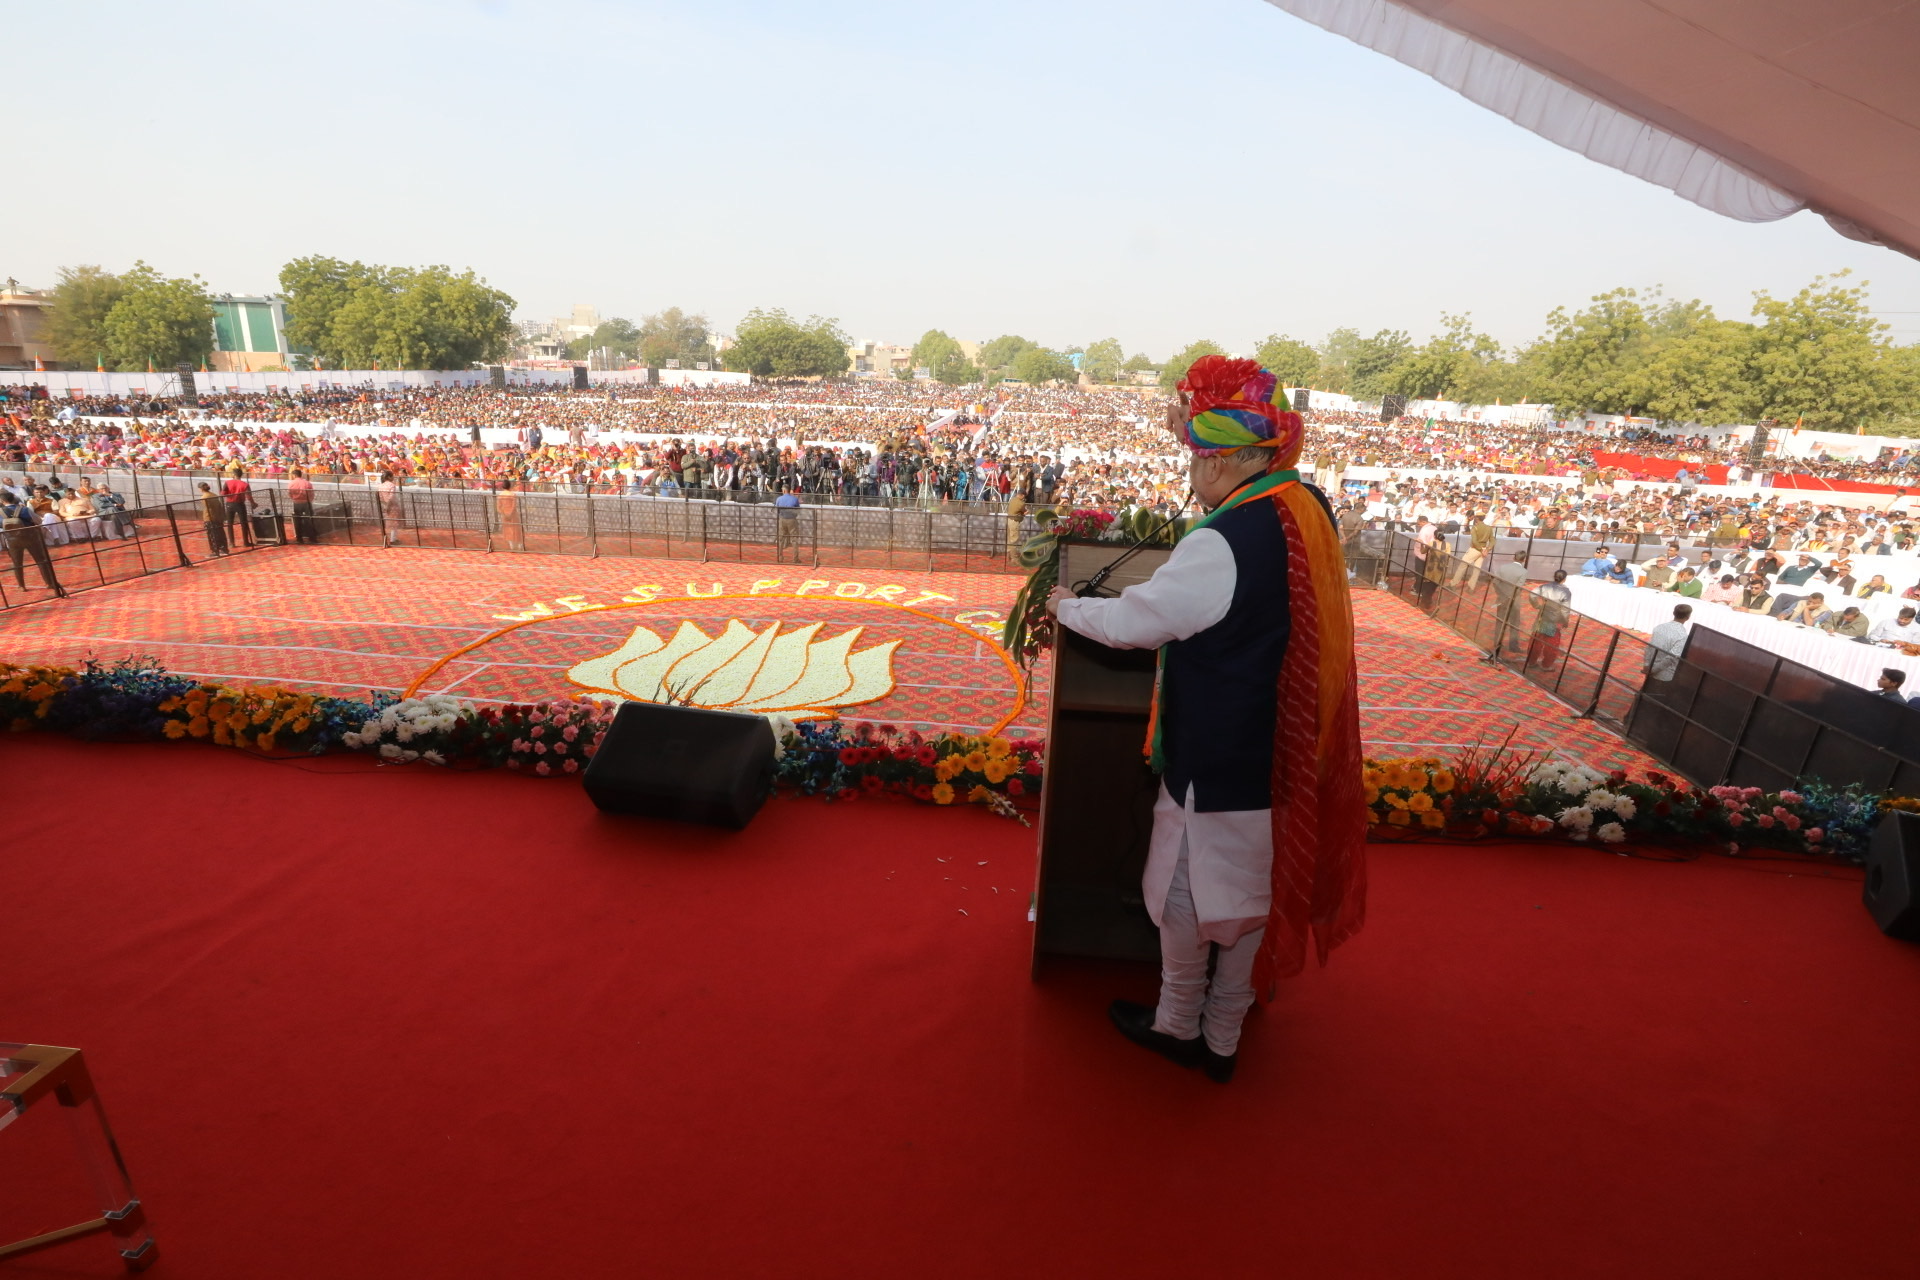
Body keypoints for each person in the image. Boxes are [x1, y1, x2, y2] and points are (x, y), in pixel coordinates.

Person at [1047, 356, 1364, 1084]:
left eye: (1194, 456)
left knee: (1187, 894)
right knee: (1250, 899)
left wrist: (1065, 606)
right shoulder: (1302, 502)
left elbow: (1137, 622)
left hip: (1219, 754)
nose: (1190, 472)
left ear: (1223, 462)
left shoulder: (1223, 539)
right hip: (1275, 748)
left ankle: (1179, 1024)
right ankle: (1224, 1034)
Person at [1, 486, 66, 597]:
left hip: (12, 540)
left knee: (17, 563)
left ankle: (21, 585)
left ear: (2, 501)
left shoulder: (0, 512)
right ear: (14, 499)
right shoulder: (24, 509)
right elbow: (37, 521)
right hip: (30, 537)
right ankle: (49, 582)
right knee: (41, 560)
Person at [1528, 568, 1572, 670]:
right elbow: (1565, 610)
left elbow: (1532, 594)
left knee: (1537, 639)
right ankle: (1546, 665)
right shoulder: (1565, 591)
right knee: (1552, 644)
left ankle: (1531, 661)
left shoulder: (1545, 586)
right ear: (1564, 579)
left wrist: (1537, 606)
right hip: (1555, 619)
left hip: (1542, 616)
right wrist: (1565, 621)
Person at [1642, 602, 1693, 685]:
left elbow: (1649, 648)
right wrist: (1653, 670)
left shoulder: (1659, 627)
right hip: (1665, 675)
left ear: (1673, 613)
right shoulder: (1682, 635)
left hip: (1650, 667)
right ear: (1688, 617)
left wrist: (1647, 665)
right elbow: (1671, 657)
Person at [1491, 551, 1530, 656]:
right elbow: (1518, 588)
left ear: (1514, 557)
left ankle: (1497, 643)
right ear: (1524, 560)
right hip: (1514, 601)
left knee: (1500, 621)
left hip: (1501, 598)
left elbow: (1495, 582)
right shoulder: (1523, 571)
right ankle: (1513, 646)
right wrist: (1510, 596)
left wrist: (1502, 594)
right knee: (1514, 623)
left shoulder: (1503, 567)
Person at [222, 467, 256, 548]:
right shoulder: (245, 484)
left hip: (229, 504)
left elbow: (223, 493)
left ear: (233, 474)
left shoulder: (227, 482)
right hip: (240, 504)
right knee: (244, 523)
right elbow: (248, 495)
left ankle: (231, 543)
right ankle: (245, 542)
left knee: (230, 524)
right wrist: (253, 503)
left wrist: (230, 495)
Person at [196, 481, 228, 556]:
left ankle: (215, 551)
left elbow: (207, 509)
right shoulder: (214, 495)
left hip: (210, 518)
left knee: (212, 535)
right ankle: (223, 549)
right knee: (220, 534)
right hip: (218, 517)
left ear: (201, 489)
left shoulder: (204, 497)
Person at [493, 478, 525, 551]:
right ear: (510, 486)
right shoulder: (512, 494)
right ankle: (519, 545)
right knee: (516, 529)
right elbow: (514, 506)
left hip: (504, 514)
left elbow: (498, 507)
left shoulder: (500, 495)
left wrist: (503, 513)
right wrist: (510, 513)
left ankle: (512, 545)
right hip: (512, 514)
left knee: (507, 529)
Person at [288, 467, 317, 544]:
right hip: (306, 502)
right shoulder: (307, 483)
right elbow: (311, 493)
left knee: (297, 521)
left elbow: (290, 494)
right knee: (309, 520)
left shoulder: (291, 483)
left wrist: (295, 499)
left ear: (294, 475)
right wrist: (309, 500)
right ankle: (312, 538)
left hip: (297, 503)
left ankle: (299, 539)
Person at [773, 484, 801, 560]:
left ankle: (780, 557)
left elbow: (777, 509)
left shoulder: (779, 499)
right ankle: (795, 558)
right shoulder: (795, 499)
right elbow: (798, 510)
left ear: (784, 490)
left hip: (782, 519)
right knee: (794, 539)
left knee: (781, 539)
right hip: (792, 520)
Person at [378, 470, 403, 547]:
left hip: (384, 504)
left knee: (388, 522)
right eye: (392, 476)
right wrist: (388, 506)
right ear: (389, 477)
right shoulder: (392, 485)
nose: (393, 477)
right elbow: (391, 497)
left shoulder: (381, 485)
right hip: (392, 505)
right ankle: (393, 539)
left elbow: (380, 497)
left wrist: (385, 505)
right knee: (394, 522)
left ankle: (388, 537)